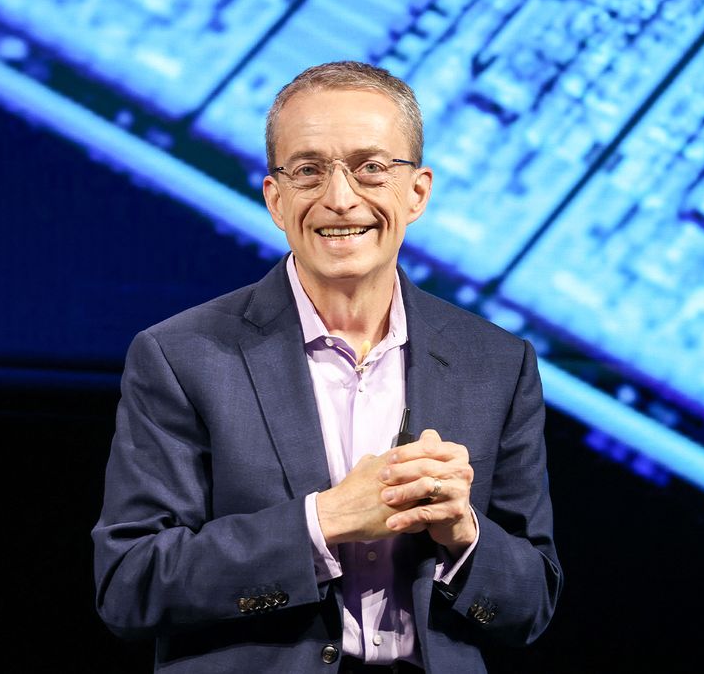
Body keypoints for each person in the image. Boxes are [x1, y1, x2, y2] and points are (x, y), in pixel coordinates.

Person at [92, 61, 561, 673]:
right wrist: (324, 520)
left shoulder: (497, 363)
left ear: (417, 192)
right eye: (309, 171)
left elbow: (533, 604)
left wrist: (463, 534)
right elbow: (130, 585)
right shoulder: (181, 356)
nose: (340, 199)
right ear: (275, 198)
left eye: (371, 168)